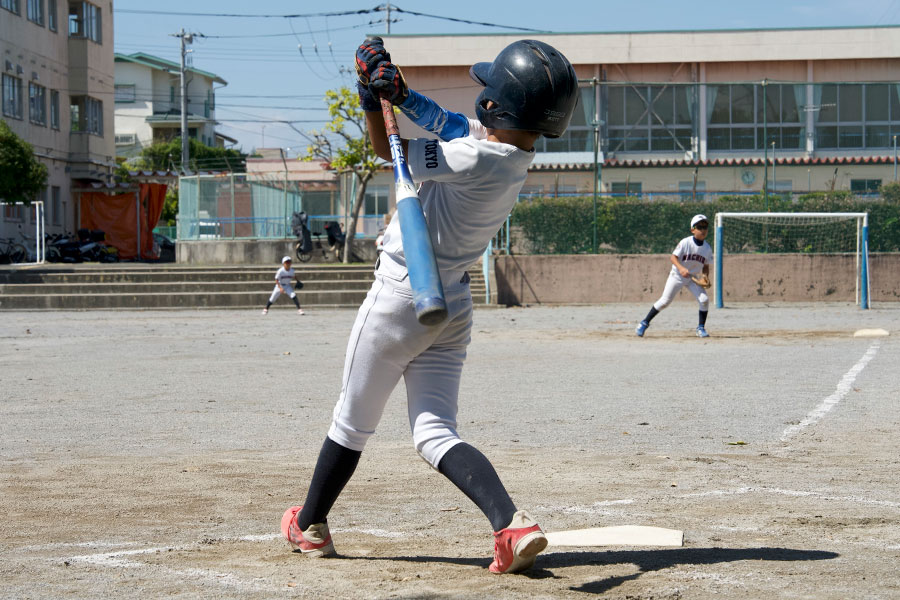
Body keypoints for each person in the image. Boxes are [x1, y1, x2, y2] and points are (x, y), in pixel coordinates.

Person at [280, 38, 579, 574]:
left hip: (400, 295)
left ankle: (310, 524)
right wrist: (400, 94)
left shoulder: (474, 155)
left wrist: (372, 102)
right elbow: (447, 123)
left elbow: (382, 150)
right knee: (436, 431)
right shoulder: (512, 154)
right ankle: (510, 524)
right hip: (454, 303)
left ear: (495, 105)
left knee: (351, 423)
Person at [635, 214, 713, 338]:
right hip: (677, 275)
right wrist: (681, 268)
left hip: (692, 278)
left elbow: (706, 265)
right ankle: (644, 323)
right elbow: (673, 257)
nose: (703, 230)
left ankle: (701, 328)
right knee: (665, 302)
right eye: (700, 227)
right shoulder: (685, 242)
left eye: (705, 227)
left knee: (704, 300)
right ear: (693, 229)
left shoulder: (707, 248)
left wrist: (705, 276)